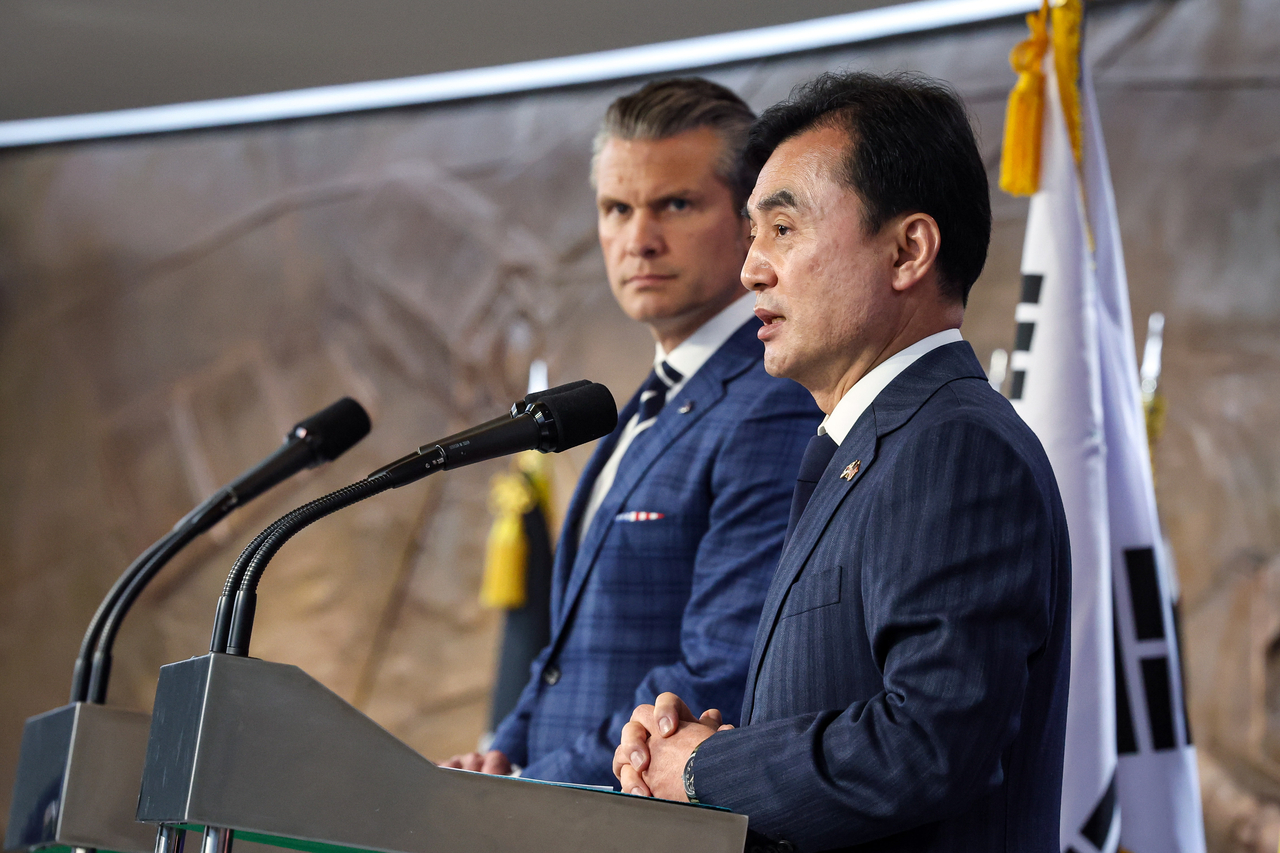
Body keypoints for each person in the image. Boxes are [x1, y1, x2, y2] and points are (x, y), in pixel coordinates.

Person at [614, 71, 1071, 852]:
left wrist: (710, 768)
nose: (752, 267)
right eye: (754, 233)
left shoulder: (954, 449)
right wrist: (696, 747)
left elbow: (929, 745)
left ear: (908, 250)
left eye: (784, 230)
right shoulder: (862, 446)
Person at [444, 78, 821, 786]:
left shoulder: (775, 400)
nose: (639, 239)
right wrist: (502, 756)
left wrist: (526, 791)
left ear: (752, 220)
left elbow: (721, 669)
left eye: (675, 204)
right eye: (617, 209)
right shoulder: (647, 400)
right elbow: (563, 659)